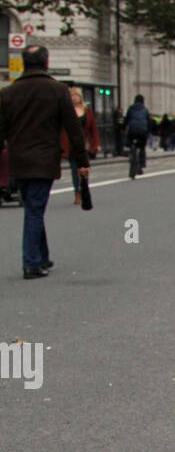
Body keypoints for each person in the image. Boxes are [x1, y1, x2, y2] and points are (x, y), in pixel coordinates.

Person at [0, 43, 90, 279]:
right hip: (44, 158)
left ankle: (42, 256)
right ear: (46, 63)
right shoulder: (57, 90)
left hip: (18, 160)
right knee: (35, 209)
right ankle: (31, 263)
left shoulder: (8, 93)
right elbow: (73, 129)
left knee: (33, 206)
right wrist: (82, 160)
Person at [60, 87, 100, 203]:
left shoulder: (87, 111)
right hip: (71, 145)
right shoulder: (67, 111)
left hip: (85, 144)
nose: (74, 98)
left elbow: (93, 129)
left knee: (84, 169)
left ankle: (84, 189)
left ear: (80, 97)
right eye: (72, 96)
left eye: (76, 95)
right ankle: (77, 191)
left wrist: (96, 144)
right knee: (74, 169)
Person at [123, 93, 151, 173]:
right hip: (142, 132)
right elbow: (149, 122)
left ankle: (131, 150)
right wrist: (148, 132)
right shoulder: (145, 110)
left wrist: (123, 128)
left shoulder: (131, 108)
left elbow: (126, 120)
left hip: (132, 131)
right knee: (142, 147)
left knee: (130, 141)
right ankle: (141, 164)